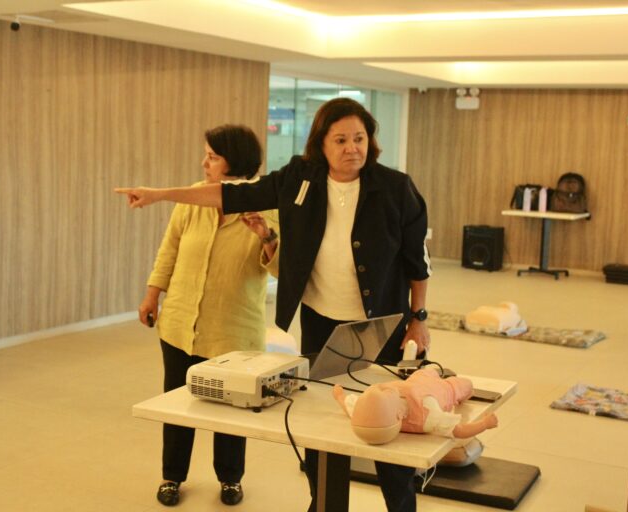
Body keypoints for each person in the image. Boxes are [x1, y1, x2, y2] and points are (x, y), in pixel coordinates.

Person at [116, 97, 431, 511]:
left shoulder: (395, 187)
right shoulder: (300, 178)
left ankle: (400, 506)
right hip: (321, 322)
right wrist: (157, 195)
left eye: (359, 138)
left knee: (389, 420)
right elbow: (232, 194)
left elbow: (416, 259)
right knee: (323, 422)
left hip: (381, 324)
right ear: (321, 143)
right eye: (340, 140)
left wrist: (419, 318)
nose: (352, 148)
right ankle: (323, 502)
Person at [126, 125, 279, 507]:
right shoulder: (192, 199)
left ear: (234, 162)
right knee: (178, 406)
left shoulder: (267, 205)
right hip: (180, 324)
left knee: (231, 411)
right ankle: (172, 476)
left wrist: (266, 236)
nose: (204, 163)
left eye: (212, 156)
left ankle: (230, 478)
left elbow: (280, 269)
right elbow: (169, 250)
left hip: (234, 333)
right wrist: (152, 295)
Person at [333, 368, 499, 445]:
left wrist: (340, 396)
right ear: (398, 414)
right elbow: (459, 431)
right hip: (446, 390)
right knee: (466, 385)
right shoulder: (426, 415)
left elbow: (349, 405)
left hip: (417, 379)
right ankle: (462, 388)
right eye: (386, 393)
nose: (382, 387)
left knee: (426, 370)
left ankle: (433, 371)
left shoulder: (369, 412)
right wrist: (484, 424)